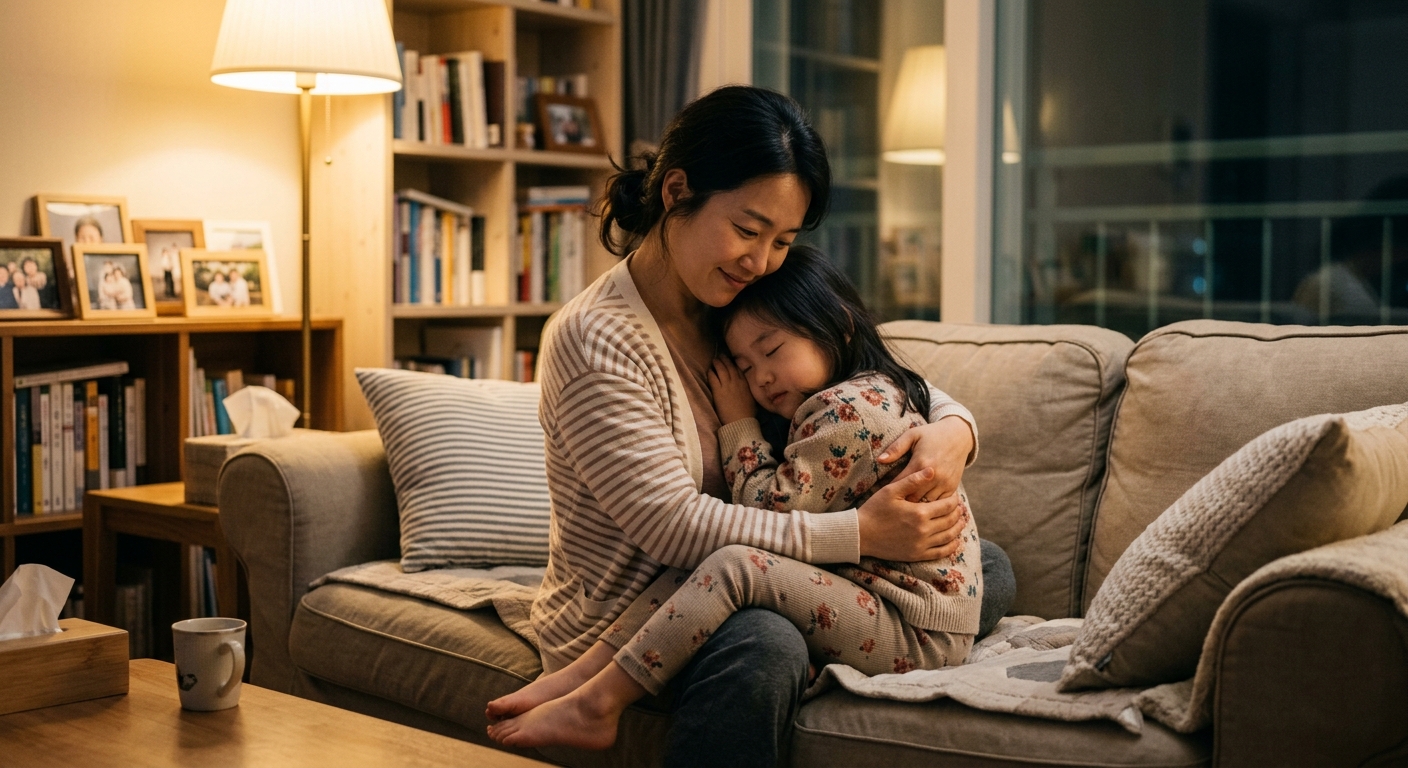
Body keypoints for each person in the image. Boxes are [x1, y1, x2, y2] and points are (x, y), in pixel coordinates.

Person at [480, 86, 1009, 767]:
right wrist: (862, 534)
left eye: (783, 241)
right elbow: (672, 527)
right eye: (748, 229)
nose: (760, 260)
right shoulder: (596, 339)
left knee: (984, 563)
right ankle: (594, 696)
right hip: (637, 610)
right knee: (768, 641)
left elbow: (880, 381)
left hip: (767, 568)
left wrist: (951, 436)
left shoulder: (737, 300)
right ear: (677, 192)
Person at [487, 246, 984, 750]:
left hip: (913, 629)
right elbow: (683, 529)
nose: (760, 378)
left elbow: (767, 510)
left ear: (839, 326)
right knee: (716, 565)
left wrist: (738, 422)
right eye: (744, 367)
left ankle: (597, 705)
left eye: (771, 352)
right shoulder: (601, 339)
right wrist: (866, 530)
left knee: (734, 566)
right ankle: (585, 676)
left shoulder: (843, 411)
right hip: (901, 595)